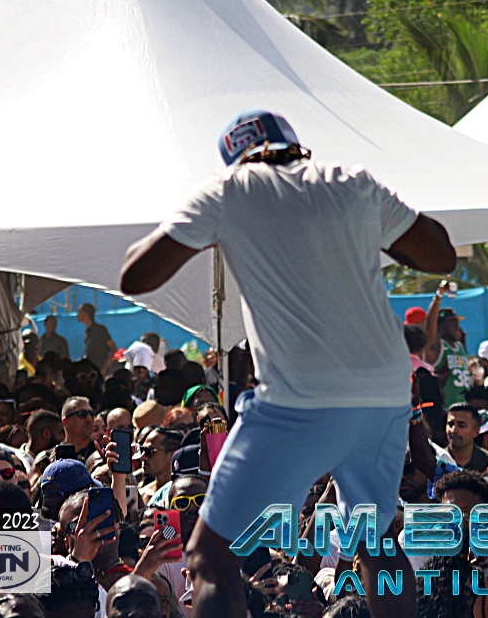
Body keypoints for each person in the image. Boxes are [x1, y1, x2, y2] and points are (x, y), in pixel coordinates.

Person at [119, 109, 455, 617]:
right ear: (298, 148)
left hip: (298, 398)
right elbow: (440, 255)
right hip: (384, 392)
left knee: (210, 552)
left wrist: (212, 221)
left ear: (236, 157)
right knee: (377, 539)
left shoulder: (227, 190)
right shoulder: (351, 182)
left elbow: (135, 276)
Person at [444, 403, 488, 471]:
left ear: (475, 431)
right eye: (450, 425)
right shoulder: (437, 460)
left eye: (461, 425)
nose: (454, 430)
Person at [78, 303, 116, 375]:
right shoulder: (88, 331)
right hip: (92, 370)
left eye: (79, 312)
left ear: (85, 314)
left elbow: (113, 348)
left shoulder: (99, 330)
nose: (77, 315)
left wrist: (105, 367)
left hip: (101, 370)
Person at [61, 396, 96, 462]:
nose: (89, 419)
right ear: (65, 421)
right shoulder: (49, 457)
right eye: (82, 414)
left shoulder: (102, 454)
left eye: (92, 414)